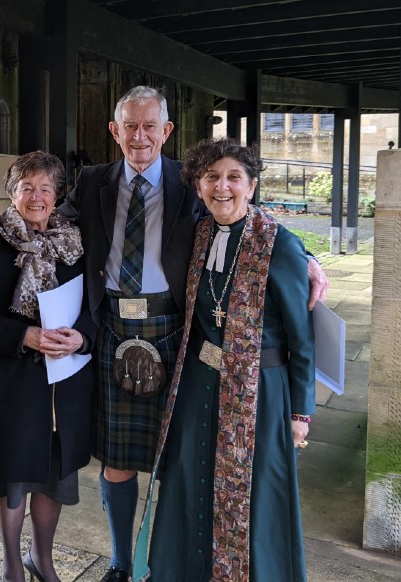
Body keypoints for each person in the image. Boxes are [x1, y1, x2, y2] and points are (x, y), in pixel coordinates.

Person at [53, 85, 329, 582]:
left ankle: (190, 561)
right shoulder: (92, 181)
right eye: (130, 126)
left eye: (150, 125)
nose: (140, 136)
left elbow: (248, 223)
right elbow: (54, 225)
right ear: (115, 131)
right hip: (114, 326)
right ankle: (121, 563)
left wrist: (305, 258)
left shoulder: (191, 184)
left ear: (167, 130)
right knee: (116, 461)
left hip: (173, 334)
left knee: (183, 462)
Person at [134, 137, 315, 581]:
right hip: (198, 379)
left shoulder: (281, 244)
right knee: (188, 474)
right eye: (212, 177)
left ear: (252, 185)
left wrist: (300, 411)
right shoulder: (198, 235)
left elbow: (301, 337)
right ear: (198, 187)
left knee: (255, 493)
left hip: (261, 389)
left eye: (234, 177)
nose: (222, 187)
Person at [0, 152, 96, 582]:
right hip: (11, 381)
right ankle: (12, 561)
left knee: (54, 475)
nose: (36, 197)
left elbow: (93, 308)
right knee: (13, 477)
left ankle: (42, 557)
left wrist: (82, 337)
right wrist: (25, 336)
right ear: (12, 193)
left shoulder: (75, 243)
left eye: (46, 188)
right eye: (26, 188)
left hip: (63, 382)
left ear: (58, 196)